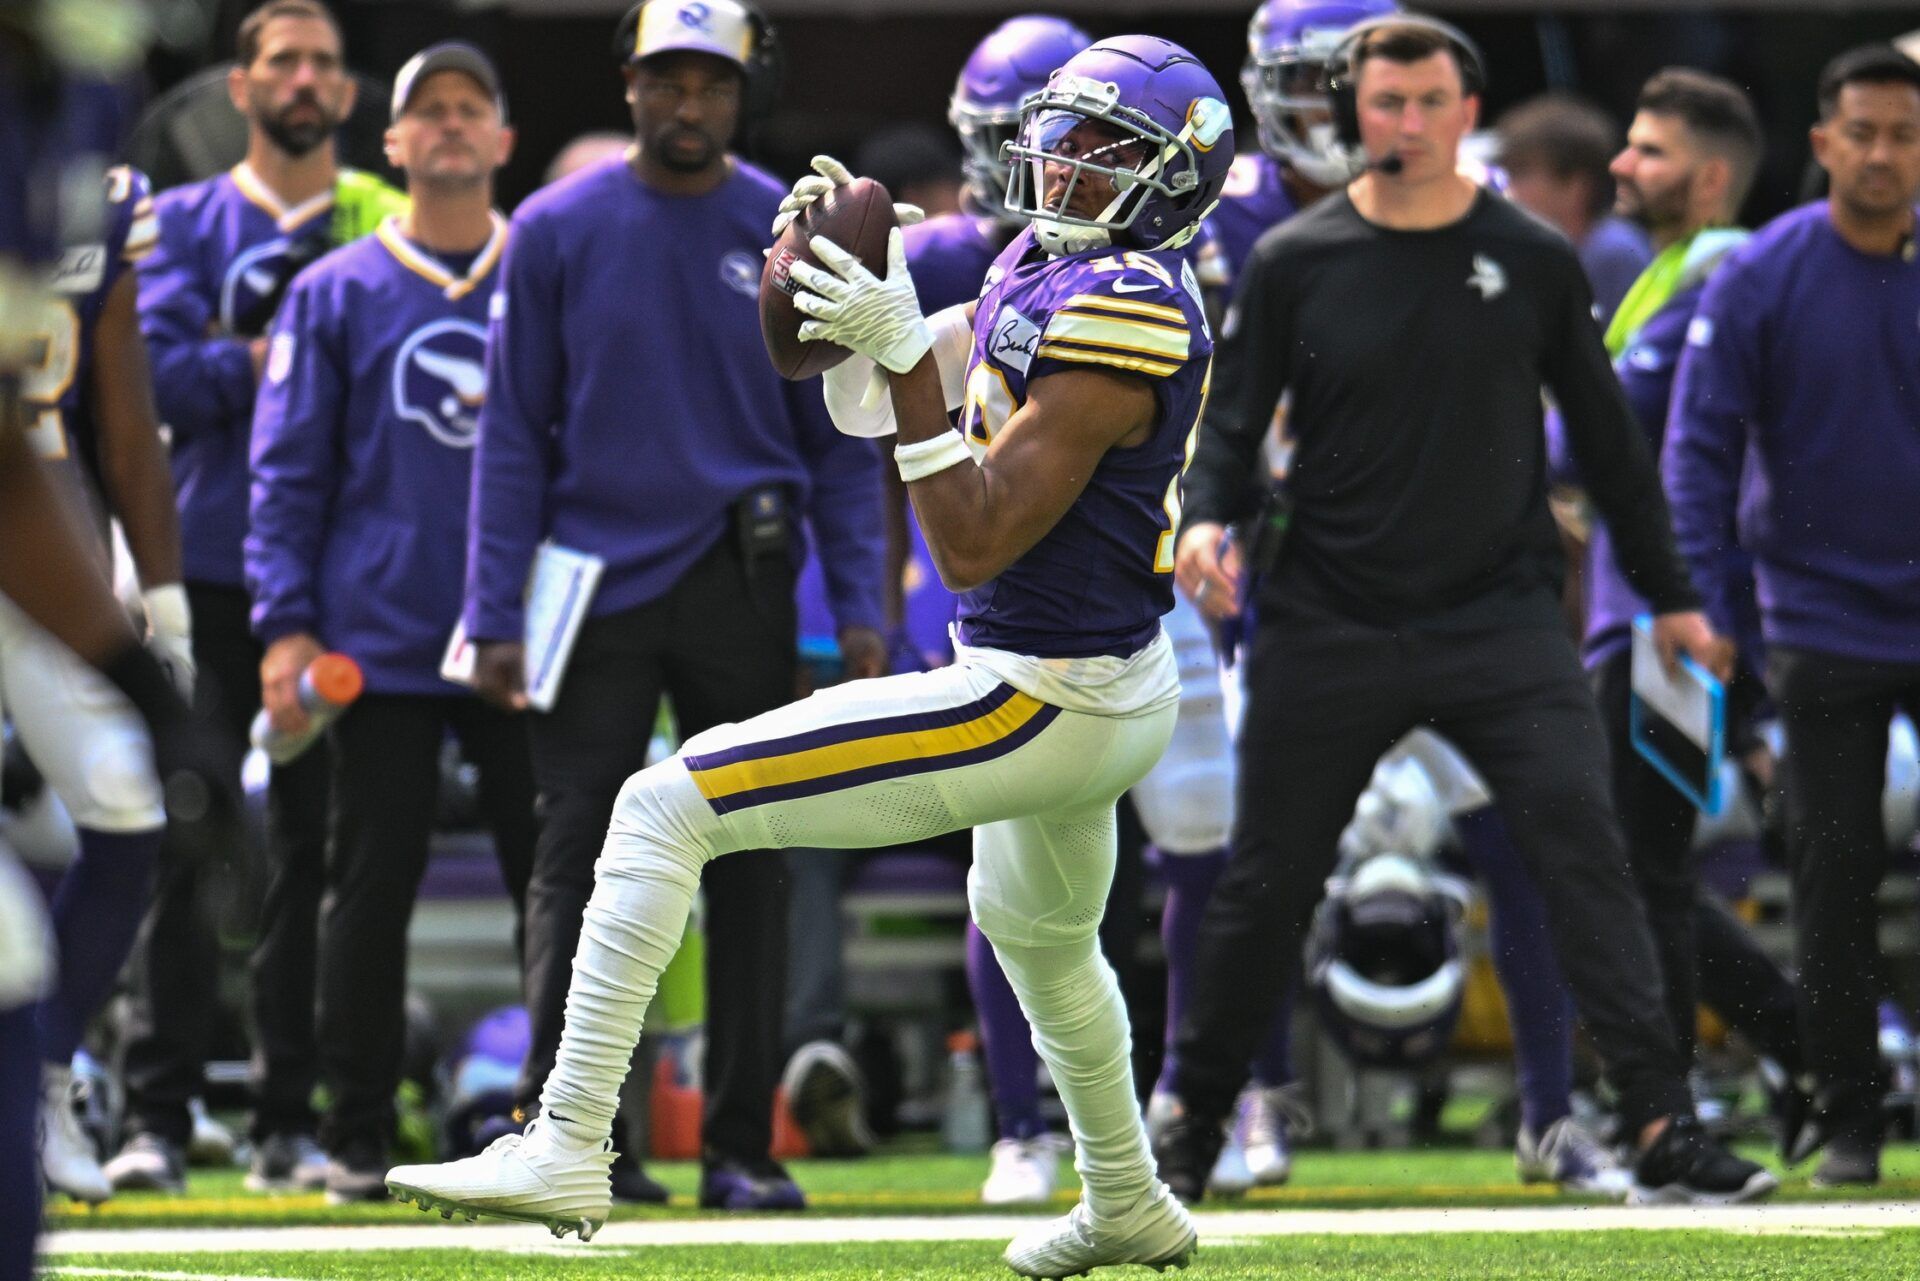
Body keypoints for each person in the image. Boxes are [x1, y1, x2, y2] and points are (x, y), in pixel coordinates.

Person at [390, 32, 1232, 1277]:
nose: (1061, 162)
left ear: (1173, 180)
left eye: (1107, 149)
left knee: (665, 803)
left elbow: (972, 539)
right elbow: (866, 401)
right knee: (1041, 937)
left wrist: (897, 359)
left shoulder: (1131, 306)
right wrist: (848, 303)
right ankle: (1129, 1200)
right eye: (1063, 132)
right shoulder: (1045, 267)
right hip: (1083, 679)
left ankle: (567, 1139)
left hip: (1044, 692)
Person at [1165, 15, 1774, 1205]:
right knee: (1265, 879)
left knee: (1583, 856)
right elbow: (1231, 425)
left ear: (1464, 112)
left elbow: (1608, 449)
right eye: (1383, 105)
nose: (1404, 125)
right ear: (1354, 118)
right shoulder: (1295, 260)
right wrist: (1201, 521)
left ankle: (1657, 1124)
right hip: (1324, 616)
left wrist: (1679, 597)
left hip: (1497, 620)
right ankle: (1192, 1123)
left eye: (1427, 102)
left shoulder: (1534, 258)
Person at [458, 0, 886, 1209]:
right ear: (629, 85)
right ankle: (574, 1139)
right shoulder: (551, 227)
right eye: (664, 81)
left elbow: (841, 440)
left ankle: (741, 1150)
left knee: (755, 854)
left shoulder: (787, 228)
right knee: (575, 857)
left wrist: (859, 607)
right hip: (587, 585)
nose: (686, 104)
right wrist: (493, 613)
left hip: (740, 576)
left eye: (710, 83)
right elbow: (510, 437)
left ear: (746, 90)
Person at [116, 0, 408, 1195]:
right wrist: (296, 355)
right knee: (176, 841)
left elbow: (391, 397)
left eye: (324, 64)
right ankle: (159, 1117)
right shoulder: (176, 219)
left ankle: (293, 1117)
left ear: (348, 95)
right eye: (280, 59)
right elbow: (157, 380)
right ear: (238, 87)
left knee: (313, 852)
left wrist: (243, 351)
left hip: (342, 580)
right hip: (199, 566)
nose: (303, 79)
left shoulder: (387, 220)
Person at [243, 42, 537, 1203]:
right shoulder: (334, 292)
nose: (454, 127)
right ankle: (356, 1132)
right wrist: (286, 625)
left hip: (524, 641)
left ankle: (566, 1126)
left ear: (505, 140)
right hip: (377, 643)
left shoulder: (549, 272)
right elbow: (285, 477)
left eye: (474, 108)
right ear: (395, 143)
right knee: (366, 888)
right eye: (433, 113)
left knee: (561, 890)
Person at [1665, 44, 1920, 1188]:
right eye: (1861, 131)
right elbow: (1697, 456)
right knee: (1831, 871)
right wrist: (1707, 606)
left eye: (1903, 134)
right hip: (1818, 621)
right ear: (1823, 143)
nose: (1881, 153)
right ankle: (1851, 1119)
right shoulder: (1761, 275)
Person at [1496, 93, 1653, 324]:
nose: (1508, 187)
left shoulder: (1612, 252)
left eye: (1522, 172)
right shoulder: (1542, 250)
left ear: (1576, 186)